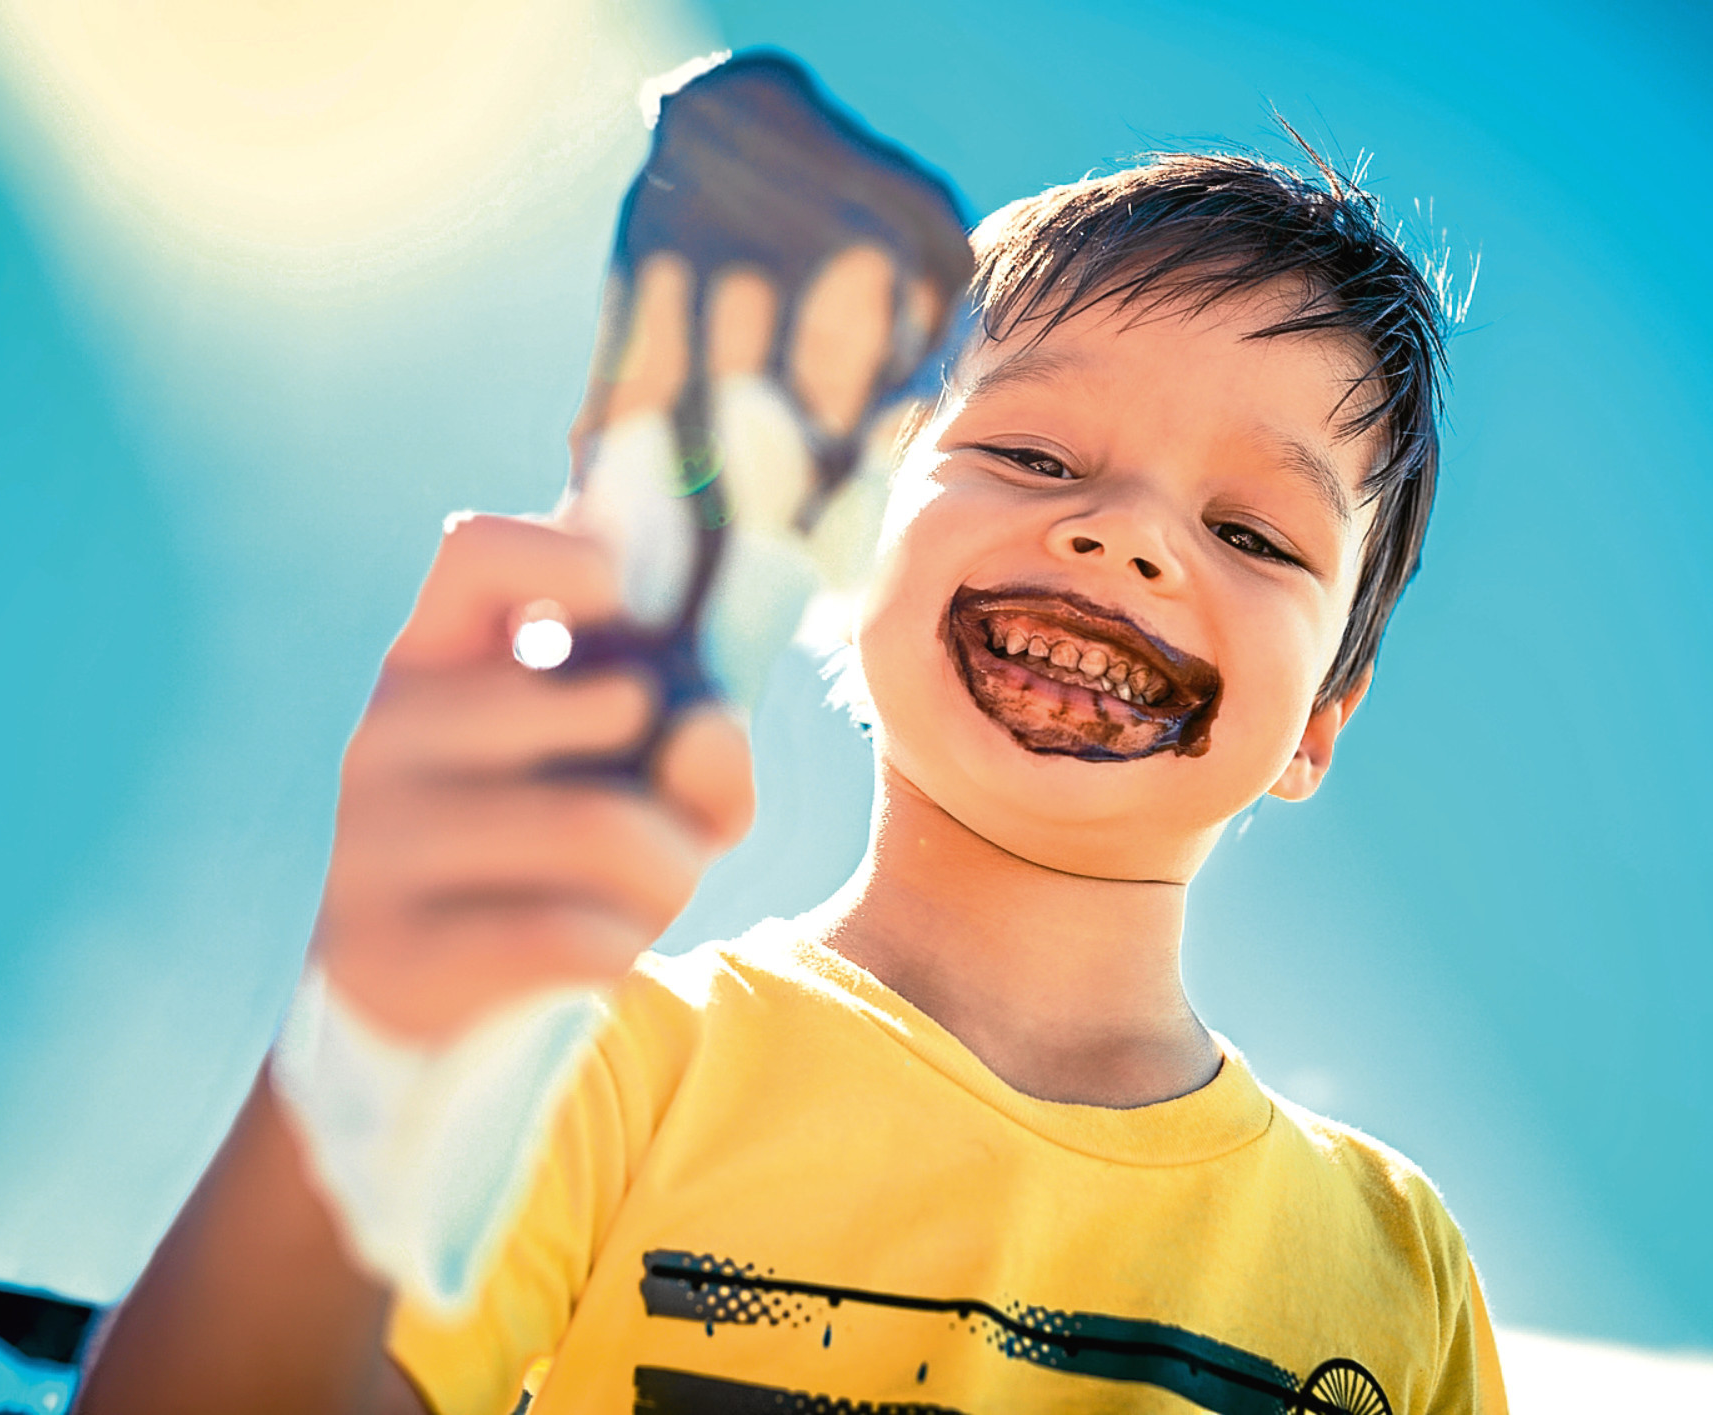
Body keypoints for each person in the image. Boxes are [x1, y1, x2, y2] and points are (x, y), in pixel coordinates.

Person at [76, 149, 1509, 1414]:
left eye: (1254, 534)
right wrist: (388, 998)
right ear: (846, 541)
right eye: (1029, 450)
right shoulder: (610, 1072)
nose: (1127, 535)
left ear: (1323, 718)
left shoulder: (1400, 1267)